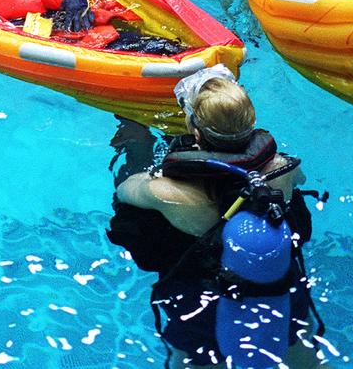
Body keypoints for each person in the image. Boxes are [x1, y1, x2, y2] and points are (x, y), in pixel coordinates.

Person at [108, 66, 324, 367]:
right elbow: (300, 180)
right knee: (300, 348)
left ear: (196, 133)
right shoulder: (281, 169)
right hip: (276, 283)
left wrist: (140, 142)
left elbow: (125, 190)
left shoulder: (168, 193)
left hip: (204, 296)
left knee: (195, 361)